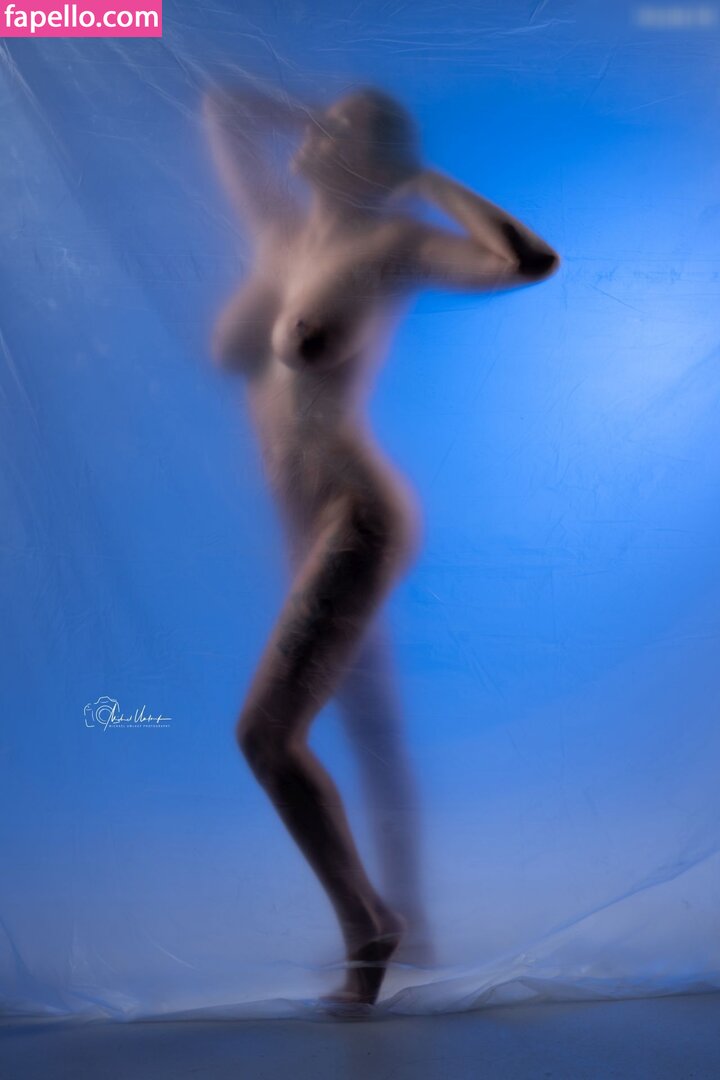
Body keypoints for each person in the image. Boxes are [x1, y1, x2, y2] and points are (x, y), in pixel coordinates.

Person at [202, 81, 560, 1009]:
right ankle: (404, 919)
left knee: (269, 735)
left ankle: (371, 925)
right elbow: (223, 103)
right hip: (297, 523)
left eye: (338, 124)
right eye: (320, 116)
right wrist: (318, 118)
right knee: (364, 723)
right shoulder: (277, 235)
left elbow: (528, 261)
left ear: (371, 160)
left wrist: (421, 178)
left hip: (354, 518)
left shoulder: (390, 243)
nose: (316, 126)